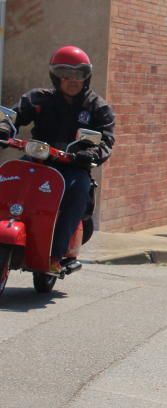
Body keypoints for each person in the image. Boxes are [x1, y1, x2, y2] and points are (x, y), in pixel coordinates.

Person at [2, 46, 115, 274]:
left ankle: (56, 254)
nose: (72, 79)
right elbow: (12, 116)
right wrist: (4, 127)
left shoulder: (97, 107)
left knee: (79, 190)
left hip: (73, 165)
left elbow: (106, 140)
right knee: (7, 178)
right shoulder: (38, 99)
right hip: (37, 160)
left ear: (87, 76)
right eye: (65, 73)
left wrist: (91, 154)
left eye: (79, 73)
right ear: (55, 76)